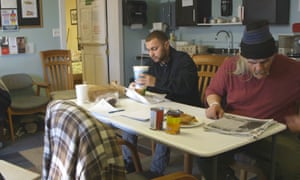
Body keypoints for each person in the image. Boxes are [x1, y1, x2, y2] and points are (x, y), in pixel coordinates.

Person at [200, 20, 300, 180]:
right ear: (242, 57)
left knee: (292, 168)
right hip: (235, 129)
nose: (259, 68)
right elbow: (213, 91)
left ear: (274, 55)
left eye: (265, 61)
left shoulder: (294, 70)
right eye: (252, 63)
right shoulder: (231, 65)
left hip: (275, 132)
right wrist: (214, 104)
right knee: (205, 155)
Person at [122, 30, 201, 177]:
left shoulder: (183, 60)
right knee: (129, 121)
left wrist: (155, 81)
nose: (151, 54)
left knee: (163, 122)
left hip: (186, 107)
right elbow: (138, 79)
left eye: (154, 49)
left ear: (166, 44)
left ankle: (155, 171)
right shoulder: (153, 63)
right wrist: (133, 83)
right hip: (164, 104)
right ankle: (130, 163)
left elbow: (184, 87)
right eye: (149, 50)